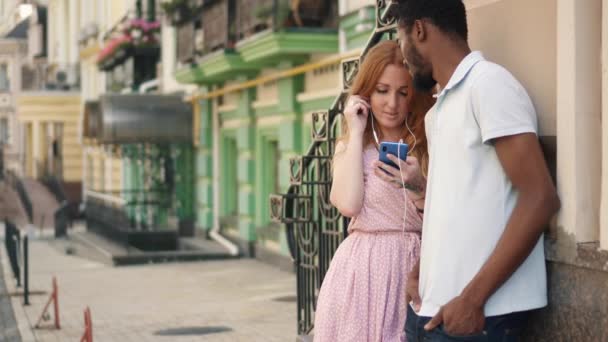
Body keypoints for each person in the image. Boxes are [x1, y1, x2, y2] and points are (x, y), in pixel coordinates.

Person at [396, 1, 561, 340]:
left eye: (399, 38)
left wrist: (472, 300)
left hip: (480, 317)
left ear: (419, 30)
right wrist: (420, 271)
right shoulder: (439, 110)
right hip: (433, 313)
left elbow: (540, 198)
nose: (402, 54)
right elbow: (455, 210)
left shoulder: (488, 85)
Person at [313, 40, 435, 342]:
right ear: (366, 92)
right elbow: (349, 205)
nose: (392, 103)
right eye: (382, 90)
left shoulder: (428, 143)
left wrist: (418, 185)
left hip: (416, 268)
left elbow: (446, 215)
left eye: (402, 92)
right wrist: (355, 132)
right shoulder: (352, 147)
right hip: (361, 273)